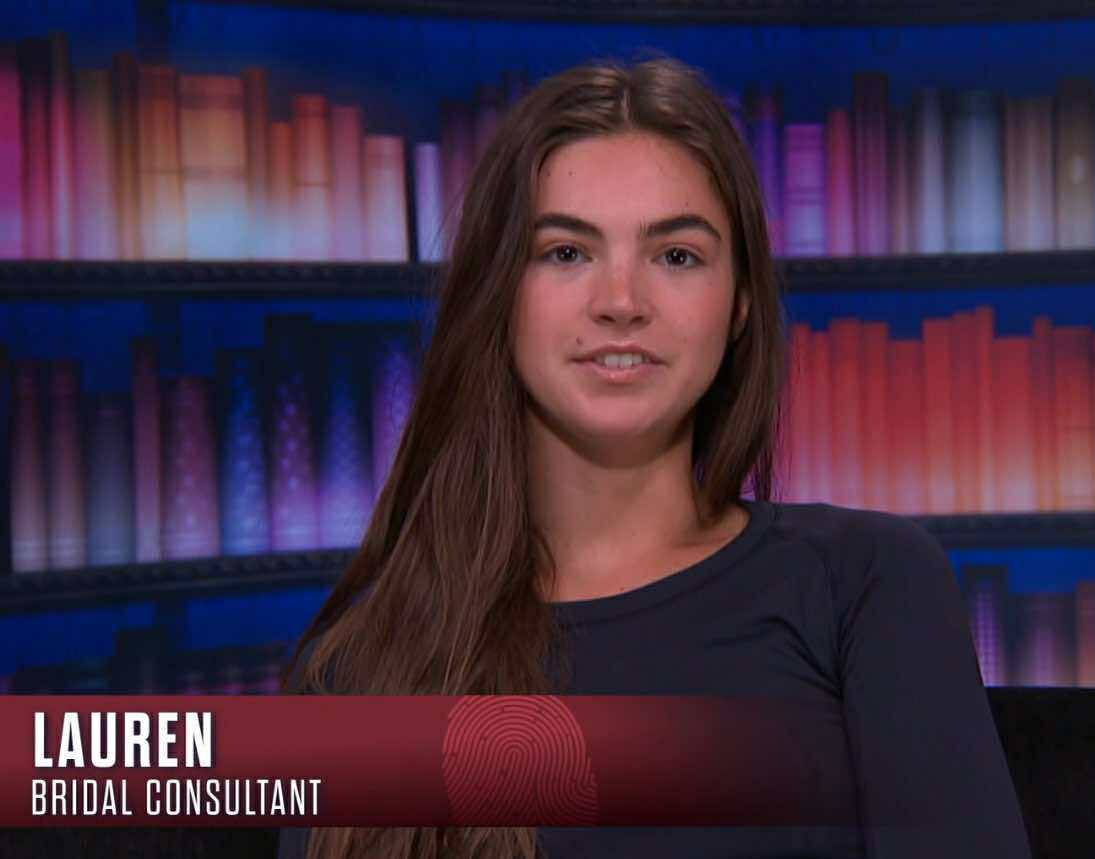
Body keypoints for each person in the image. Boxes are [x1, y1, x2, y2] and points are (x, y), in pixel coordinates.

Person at [277, 56, 1033, 859]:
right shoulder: (369, 662)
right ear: (497, 294)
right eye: (566, 252)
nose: (621, 301)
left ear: (740, 304)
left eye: (677, 256)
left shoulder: (868, 583)